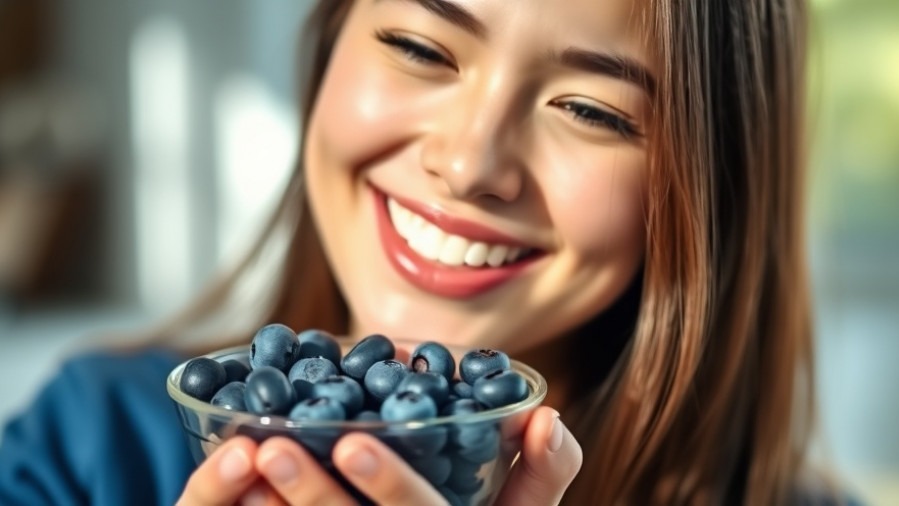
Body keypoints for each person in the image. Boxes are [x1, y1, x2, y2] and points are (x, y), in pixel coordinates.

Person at [0, 0, 847, 504]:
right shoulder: (83, 445)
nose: (469, 163)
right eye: (419, 48)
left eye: (592, 110)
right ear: (330, 41)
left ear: (716, 183)